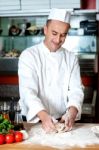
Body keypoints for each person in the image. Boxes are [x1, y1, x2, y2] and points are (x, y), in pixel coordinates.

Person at [18, 8, 84, 133]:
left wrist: (72, 111)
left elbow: (76, 90)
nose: (58, 39)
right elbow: (28, 91)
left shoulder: (71, 58)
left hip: (62, 121)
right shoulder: (29, 55)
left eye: (63, 35)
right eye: (54, 33)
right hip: (34, 121)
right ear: (45, 29)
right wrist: (43, 116)